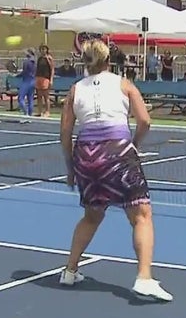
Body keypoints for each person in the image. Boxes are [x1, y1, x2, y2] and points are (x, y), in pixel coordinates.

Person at [58, 39, 172, 302]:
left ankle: (70, 270)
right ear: (109, 61)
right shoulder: (124, 84)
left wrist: (71, 168)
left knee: (92, 215)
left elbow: (65, 133)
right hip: (117, 151)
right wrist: (132, 147)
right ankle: (144, 277)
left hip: (85, 155)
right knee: (141, 215)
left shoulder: (75, 90)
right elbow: (144, 121)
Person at [17, 48, 37, 116]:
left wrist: (16, 75)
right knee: (30, 99)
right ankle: (30, 115)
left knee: (20, 98)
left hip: (26, 81)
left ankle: (26, 113)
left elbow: (24, 72)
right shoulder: (35, 62)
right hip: (33, 81)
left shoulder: (26, 62)